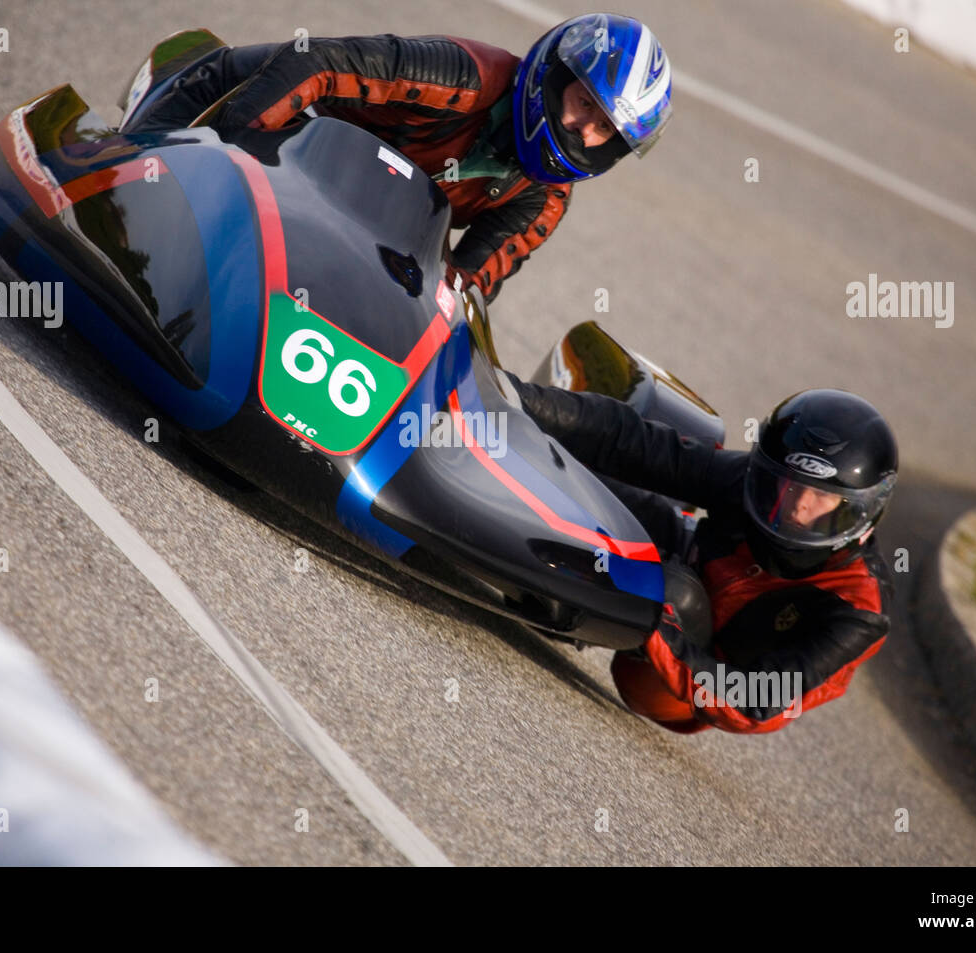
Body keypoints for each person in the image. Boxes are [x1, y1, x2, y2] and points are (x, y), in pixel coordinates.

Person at [122, 14, 673, 303]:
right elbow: (315, 63)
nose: (585, 133)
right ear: (555, 74)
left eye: (605, 130)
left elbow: (461, 290)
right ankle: (132, 152)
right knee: (225, 88)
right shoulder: (464, 77)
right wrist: (213, 157)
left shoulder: (544, 201)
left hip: (357, 219)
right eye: (584, 106)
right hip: (264, 124)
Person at [503, 375, 898, 734]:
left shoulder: (859, 608)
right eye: (790, 486)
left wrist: (660, 627)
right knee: (581, 477)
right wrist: (518, 397)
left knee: (674, 589)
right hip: (682, 556)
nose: (798, 508)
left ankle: (562, 589)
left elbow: (757, 703)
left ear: (859, 510)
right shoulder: (759, 485)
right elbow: (639, 446)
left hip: (687, 684)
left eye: (822, 497)